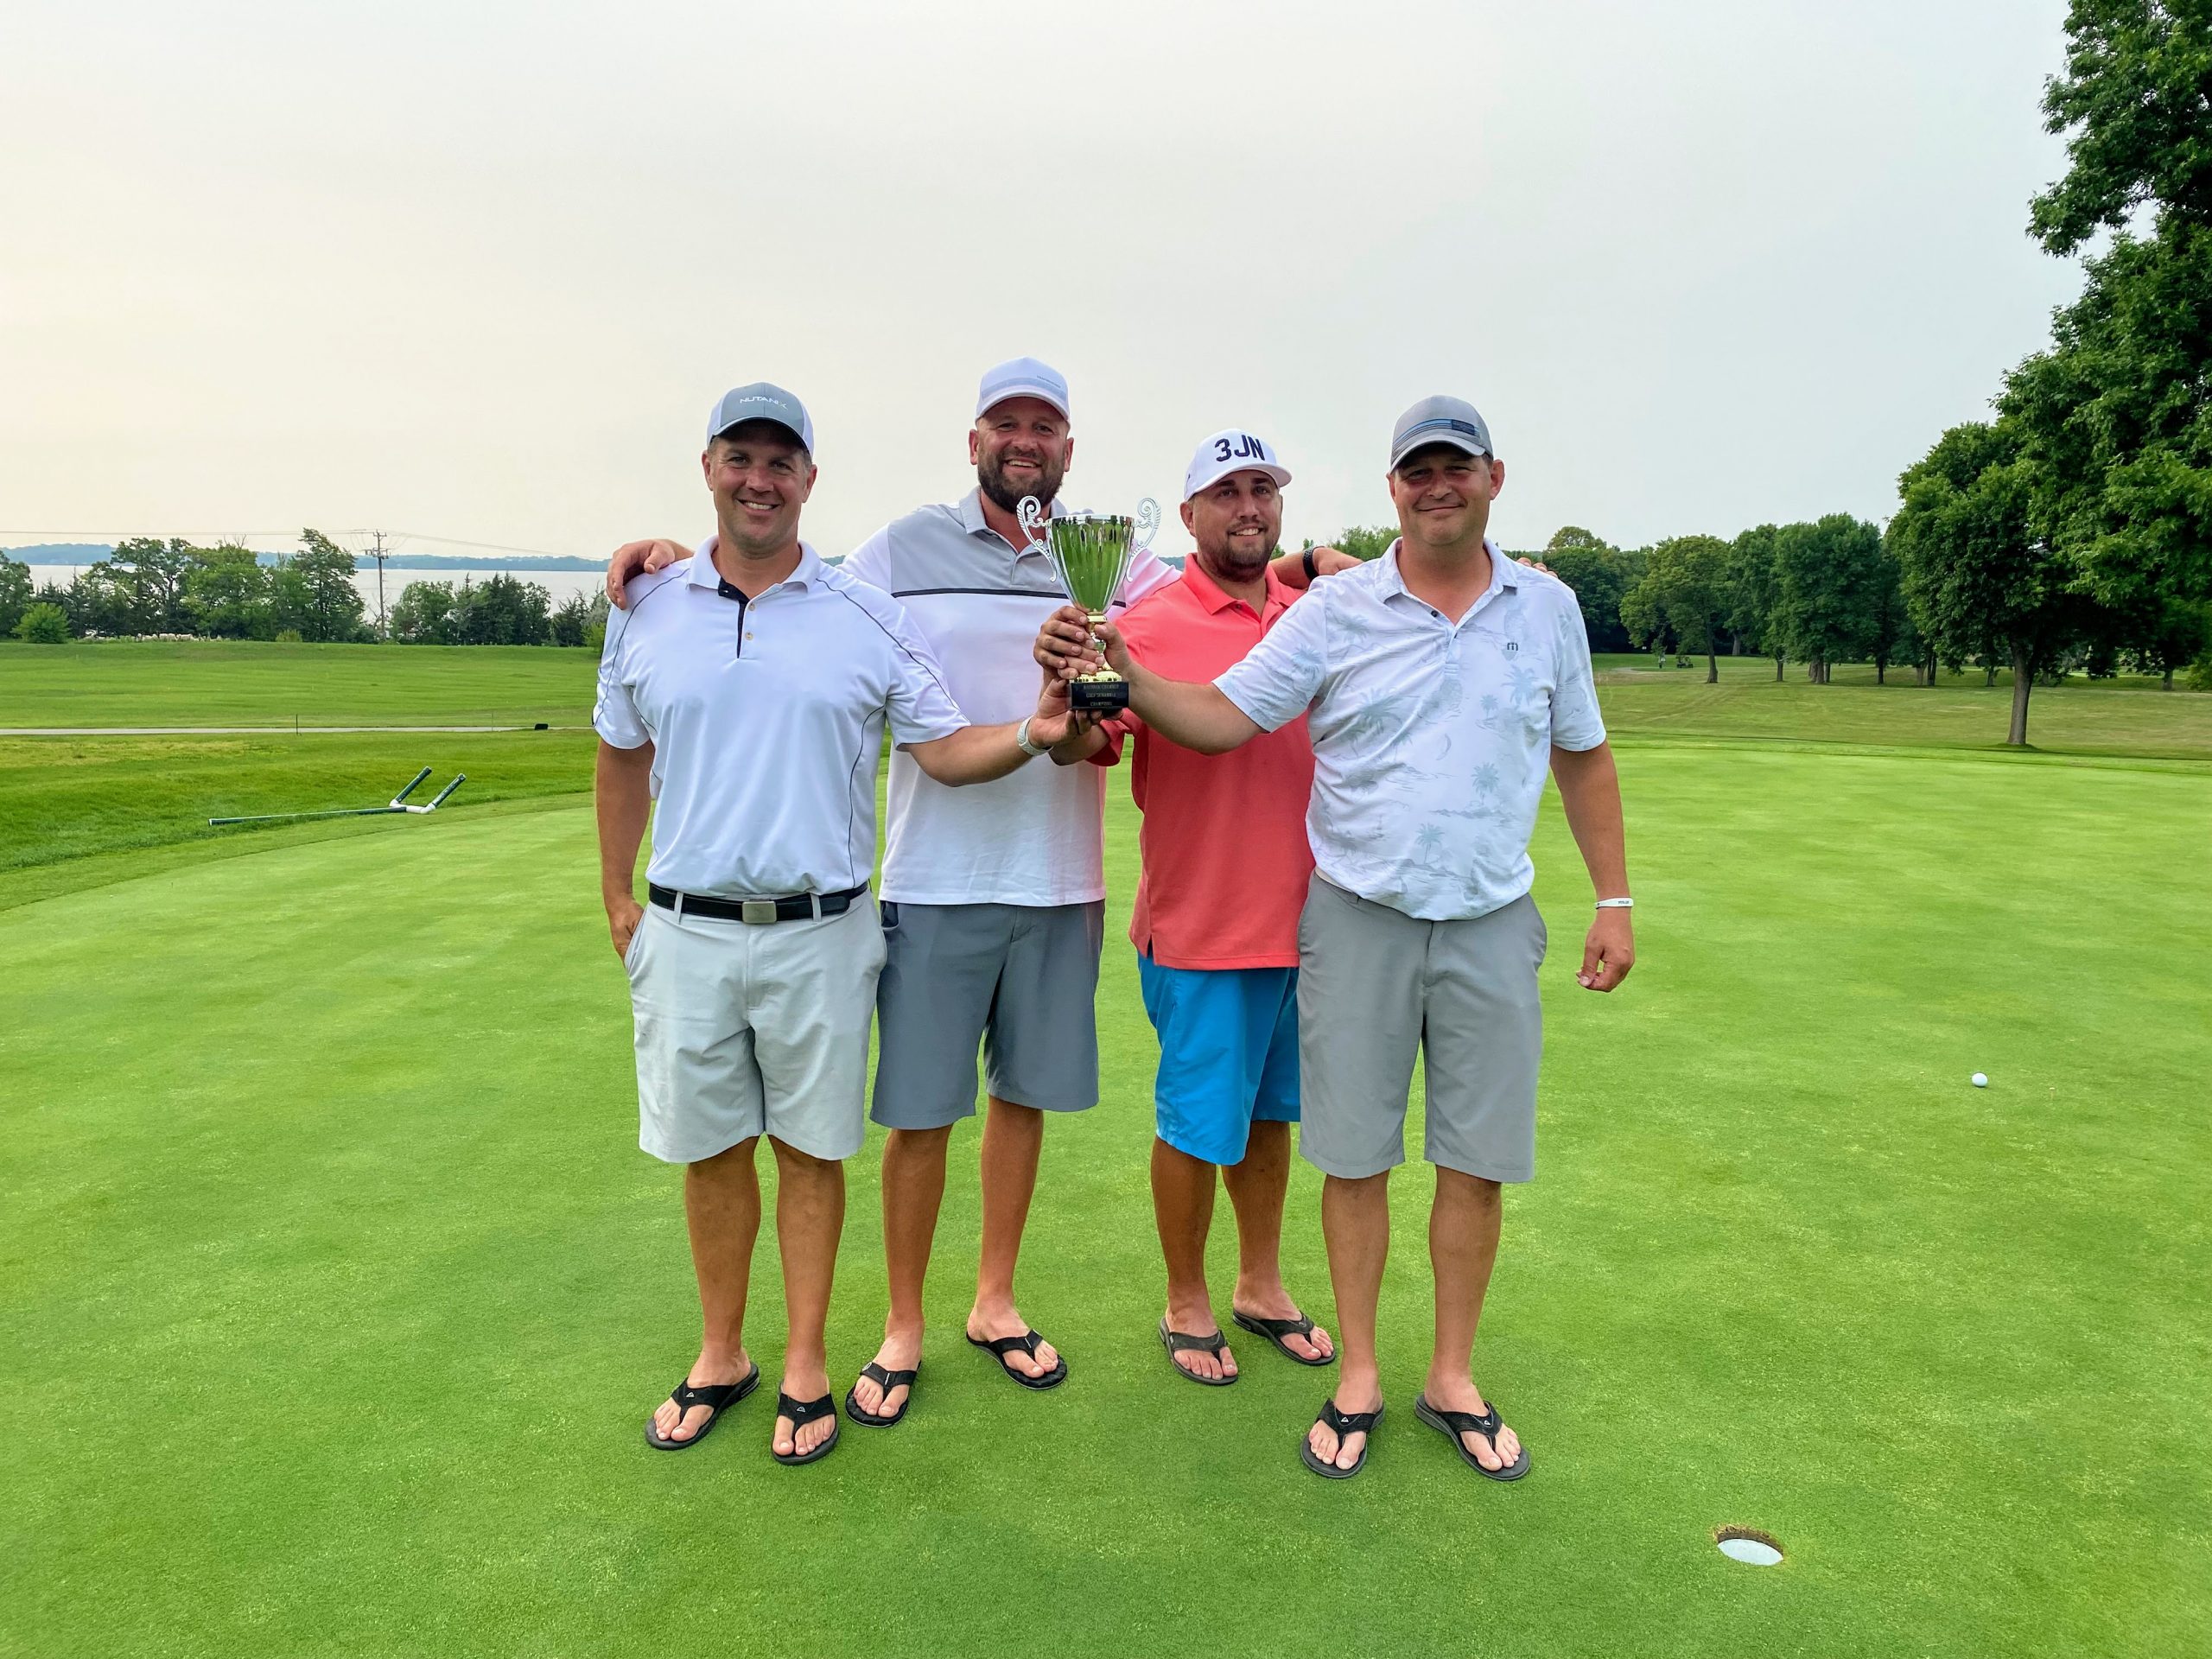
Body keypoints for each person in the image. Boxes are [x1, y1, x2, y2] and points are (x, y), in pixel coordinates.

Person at [604, 360, 1357, 1427]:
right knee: (920, 1116)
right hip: (928, 878)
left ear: (1066, 448)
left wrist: (1310, 560)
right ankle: (903, 1321)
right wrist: (677, 560)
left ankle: (993, 1300)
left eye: (1045, 426)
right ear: (973, 442)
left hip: (1061, 880)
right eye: (1006, 423)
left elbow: (1218, 584)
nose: (1025, 440)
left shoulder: (1115, 562)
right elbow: (787, 582)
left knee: (1021, 1104)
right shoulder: (901, 550)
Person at [1079, 395, 1635, 1479]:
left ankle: (1452, 1377)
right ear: (1392, 489)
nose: (1438, 485)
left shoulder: (1548, 607)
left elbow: (1583, 754)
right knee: (1354, 1157)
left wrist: (1612, 900)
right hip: (1357, 917)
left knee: (1475, 1164)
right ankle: (1361, 1374)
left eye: (1456, 467)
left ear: (1493, 477)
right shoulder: (1334, 611)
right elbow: (1225, 717)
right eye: (1417, 470)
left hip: (1488, 918)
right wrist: (1128, 674)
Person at [595, 383, 1093, 1465]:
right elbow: (619, 749)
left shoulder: (866, 609)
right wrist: (616, 894)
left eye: (781, 462)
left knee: (811, 1152)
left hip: (822, 925)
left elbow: (947, 748)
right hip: (684, 926)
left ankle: (810, 1361)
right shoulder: (645, 603)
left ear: (810, 480)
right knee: (711, 1151)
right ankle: (721, 1352)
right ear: (709, 467)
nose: (759, 479)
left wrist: (1039, 730)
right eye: (741, 458)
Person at [1035, 429, 1336, 1385]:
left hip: (1313, 923)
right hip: (1202, 922)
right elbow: (1094, 748)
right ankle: (1185, 1300)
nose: (1249, 508)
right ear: (1192, 513)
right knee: (1196, 1123)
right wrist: (1070, 715)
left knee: (1272, 1116)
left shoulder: (1314, 612)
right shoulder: (1149, 620)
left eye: (1263, 491)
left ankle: (1259, 1283)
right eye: (1227, 493)